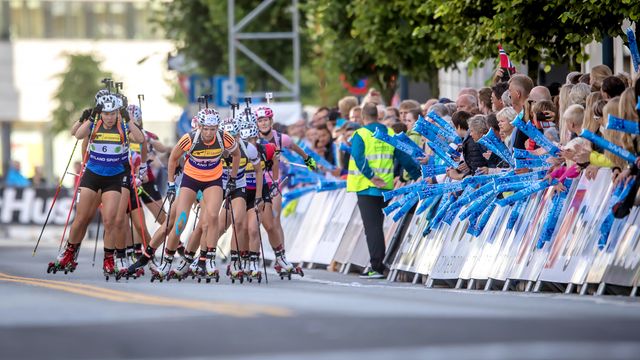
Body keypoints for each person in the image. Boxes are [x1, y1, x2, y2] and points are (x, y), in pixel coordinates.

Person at [49, 91, 145, 278]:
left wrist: (128, 120)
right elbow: (76, 134)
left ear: (118, 112)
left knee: (110, 221)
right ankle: (69, 253)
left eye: (113, 113)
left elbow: (140, 139)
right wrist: (89, 117)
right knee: (82, 218)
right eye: (106, 113)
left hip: (114, 178)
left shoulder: (123, 125)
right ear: (101, 112)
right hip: (92, 175)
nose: (109, 117)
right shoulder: (95, 123)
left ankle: (109, 259)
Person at [347, 102, 420, 279]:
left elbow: (358, 157)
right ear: (378, 116)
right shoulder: (389, 133)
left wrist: (371, 176)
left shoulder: (361, 133)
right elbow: (404, 156)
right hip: (386, 187)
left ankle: (377, 266)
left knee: (372, 228)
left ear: (363, 117)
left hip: (366, 187)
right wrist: (417, 174)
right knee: (377, 226)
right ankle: (378, 263)